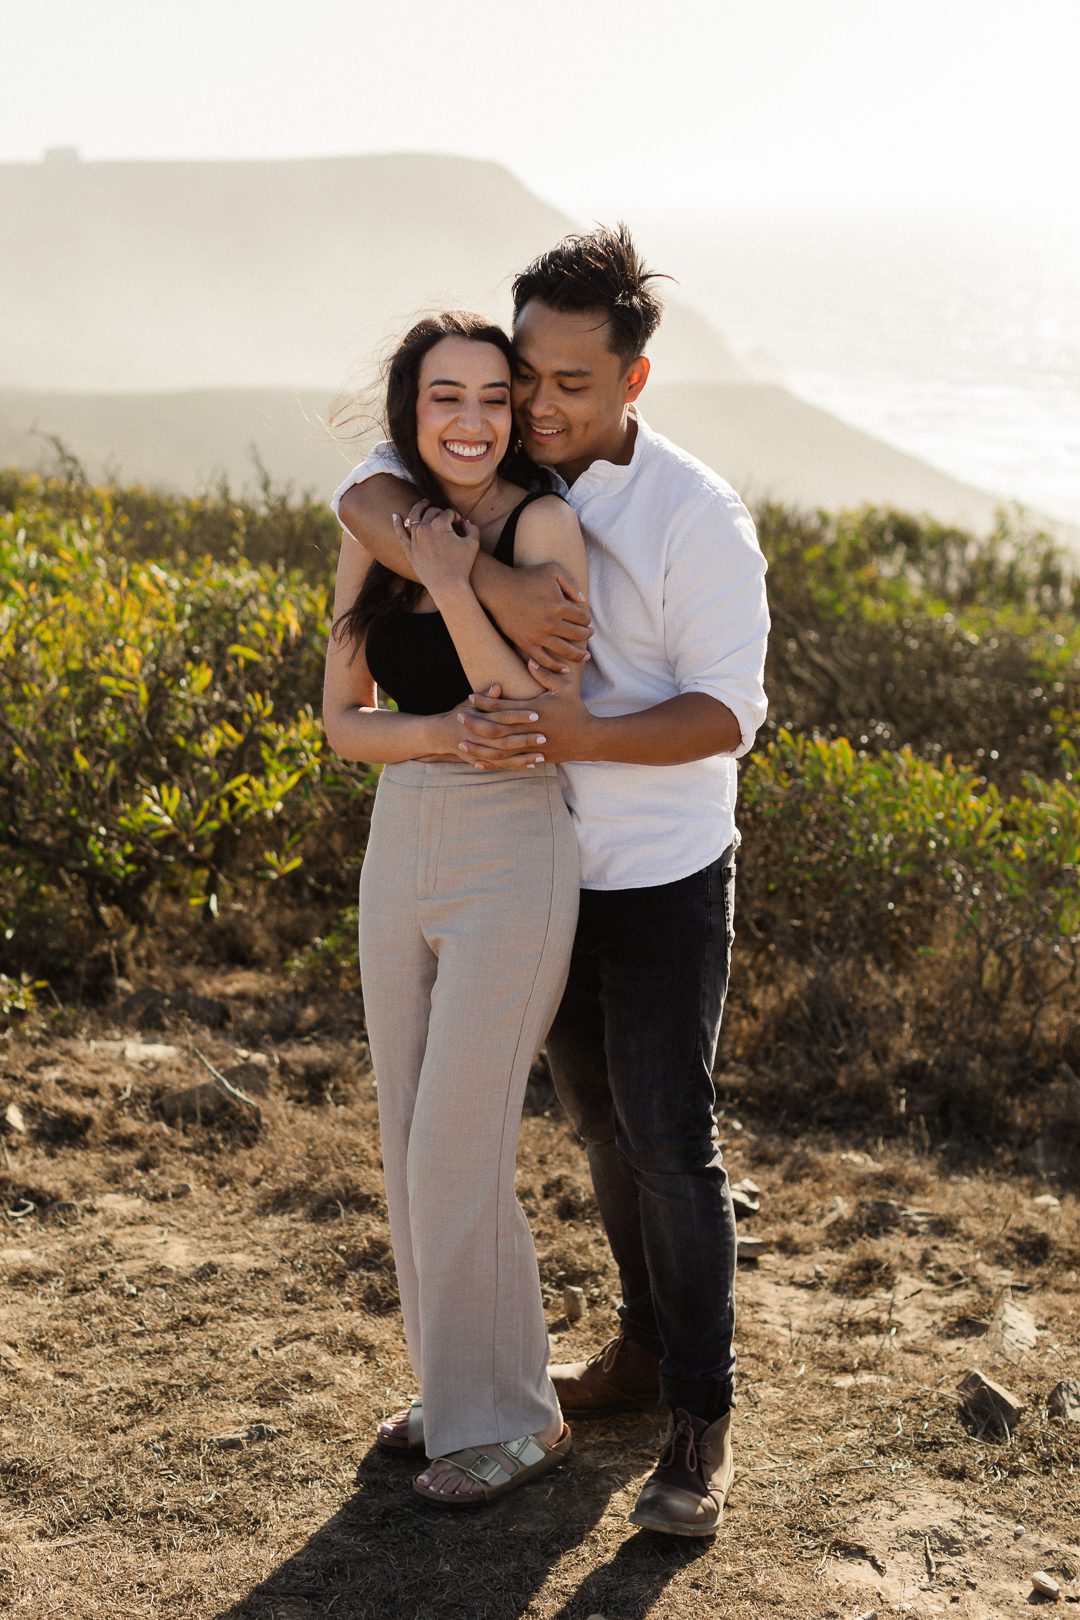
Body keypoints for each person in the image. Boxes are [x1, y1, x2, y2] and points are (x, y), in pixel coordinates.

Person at [334, 225, 769, 1538]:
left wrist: (567, 718)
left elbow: (725, 716)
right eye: (529, 372)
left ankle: (698, 1417)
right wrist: (466, 570)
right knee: (594, 1132)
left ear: (634, 382)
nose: (540, 401)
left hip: (657, 869)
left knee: (667, 1140)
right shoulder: (495, 464)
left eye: (573, 383)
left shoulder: (697, 519)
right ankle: (627, 1358)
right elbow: (365, 487)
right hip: (539, 857)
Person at [322, 311, 588, 1506]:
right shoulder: (378, 521)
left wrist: (448, 578)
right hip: (402, 842)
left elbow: (527, 707)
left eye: (493, 397)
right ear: (411, 410)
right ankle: (456, 1385)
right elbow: (343, 723)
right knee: (404, 1135)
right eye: (446, 399)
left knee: (456, 1148)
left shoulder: (541, 525)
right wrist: (431, 736)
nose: (473, 421)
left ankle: (523, 1420)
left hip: (514, 847)